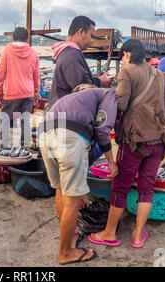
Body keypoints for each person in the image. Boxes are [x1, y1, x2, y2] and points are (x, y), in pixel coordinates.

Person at [88, 39, 165, 249]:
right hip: (159, 140)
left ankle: (109, 232)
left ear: (126, 54)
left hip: (134, 141)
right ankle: (137, 235)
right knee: (146, 187)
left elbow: (121, 104)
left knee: (121, 187)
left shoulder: (127, 71)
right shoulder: (159, 74)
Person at [38, 85, 118, 265]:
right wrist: (111, 161)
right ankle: (65, 253)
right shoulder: (111, 95)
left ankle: (70, 236)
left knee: (61, 190)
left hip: (45, 133)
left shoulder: (80, 98)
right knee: (72, 202)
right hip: (68, 136)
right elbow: (102, 130)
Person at [49, 15, 113, 108]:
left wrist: (100, 81)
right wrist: (100, 82)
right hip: (66, 114)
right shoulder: (71, 55)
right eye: (91, 36)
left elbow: (80, 81)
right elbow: (83, 87)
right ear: (81, 32)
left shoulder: (68, 52)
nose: (92, 41)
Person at [0, 27, 40, 147]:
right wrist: (36, 92)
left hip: (11, 92)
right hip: (27, 93)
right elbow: (36, 76)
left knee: (5, 120)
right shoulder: (33, 53)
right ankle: (24, 148)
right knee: (25, 121)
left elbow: (0, 73)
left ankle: (4, 147)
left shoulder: (6, 51)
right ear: (27, 38)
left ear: (13, 38)